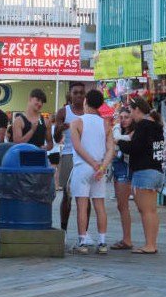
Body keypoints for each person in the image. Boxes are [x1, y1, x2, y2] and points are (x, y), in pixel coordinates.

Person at [118, 97, 165, 254]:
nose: (130, 115)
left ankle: (150, 245)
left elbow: (134, 148)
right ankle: (152, 243)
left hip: (144, 171)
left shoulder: (143, 125)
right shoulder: (156, 125)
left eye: (130, 111)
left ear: (137, 109)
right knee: (151, 210)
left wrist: (118, 142)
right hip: (156, 171)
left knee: (146, 211)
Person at [69, 89, 114, 255]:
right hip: (100, 170)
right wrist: (102, 166)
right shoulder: (106, 124)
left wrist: (93, 164)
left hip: (83, 167)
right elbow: (111, 149)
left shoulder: (76, 122)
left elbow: (77, 147)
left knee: (82, 206)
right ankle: (102, 242)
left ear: (86, 101)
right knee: (99, 205)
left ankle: (83, 242)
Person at [54, 82, 87, 233]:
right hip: (68, 155)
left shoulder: (90, 112)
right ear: (70, 94)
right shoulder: (63, 112)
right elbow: (55, 138)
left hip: (87, 157)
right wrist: (60, 128)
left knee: (85, 196)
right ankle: (64, 231)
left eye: (81, 92)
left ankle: (84, 233)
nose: (79, 95)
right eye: (76, 93)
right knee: (67, 195)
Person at [111, 107, 135, 250]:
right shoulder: (122, 131)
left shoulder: (132, 132)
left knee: (123, 205)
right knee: (121, 205)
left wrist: (116, 135)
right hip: (117, 167)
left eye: (127, 117)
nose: (124, 120)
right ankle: (126, 238)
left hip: (124, 169)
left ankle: (127, 239)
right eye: (122, 117)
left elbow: (119, 140)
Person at [47, 113, 61, 190]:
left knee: (50, 169)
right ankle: (56, 185)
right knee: (56, 170)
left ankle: (50, 185)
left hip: (48, 151)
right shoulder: (56, 129)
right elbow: (59, 141)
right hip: (55, 150)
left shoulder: (47, 129)